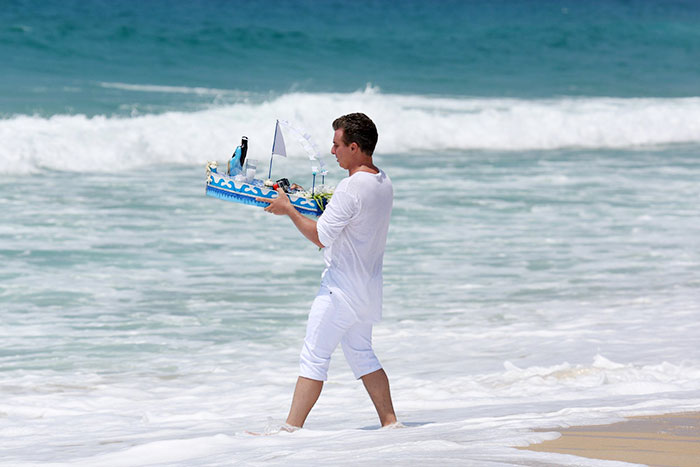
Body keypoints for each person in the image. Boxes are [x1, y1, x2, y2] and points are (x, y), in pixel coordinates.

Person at [257, 113, 397, 429]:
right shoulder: (382, 181)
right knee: (362, 355)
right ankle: (391, 424)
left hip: (340, 289)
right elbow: (350, 219)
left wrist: (288, 210)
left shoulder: (350, 188)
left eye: (337, 145)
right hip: (368, 289)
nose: (332, 151)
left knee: (314, 357)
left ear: (355, 147)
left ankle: (289, 430)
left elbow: (321, 235)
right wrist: (303, 198)